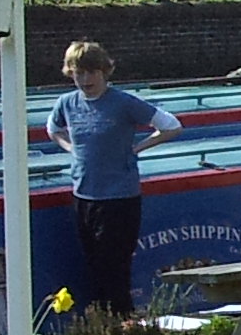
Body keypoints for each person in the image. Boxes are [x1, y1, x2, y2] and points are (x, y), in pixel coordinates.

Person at [45, 42, 180, 317]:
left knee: (115, 266)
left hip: (119, 198)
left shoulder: (124, 103)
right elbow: (52, 128)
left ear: (105, 71)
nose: (85, 80)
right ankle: (103, 323)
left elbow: (171, 126)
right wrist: (71, 149)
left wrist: (137, 148)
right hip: (84, 195)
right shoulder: (67, 103)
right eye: (78, 73)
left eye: (91, 72)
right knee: (93, 265)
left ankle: (122, 322)